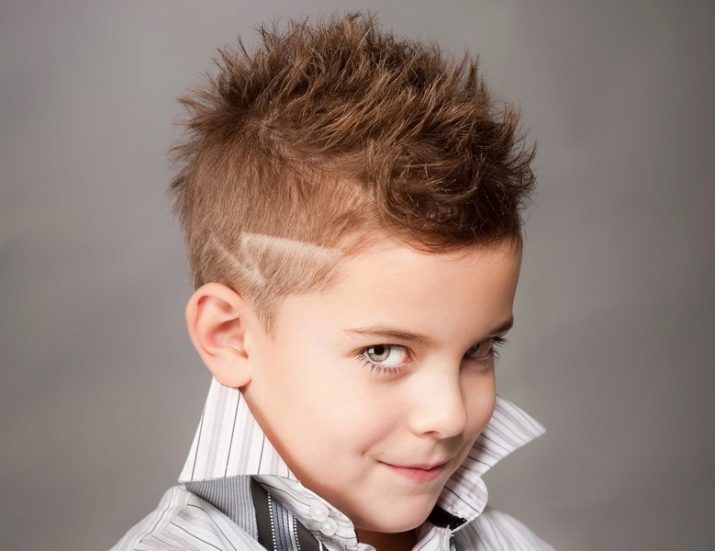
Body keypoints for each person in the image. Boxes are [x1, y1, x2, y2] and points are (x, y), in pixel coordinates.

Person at [110, 12, 553, 551]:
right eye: (383, 352)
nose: (450, 415)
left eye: (478, 350)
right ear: (230, 336)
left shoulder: (511, 543)